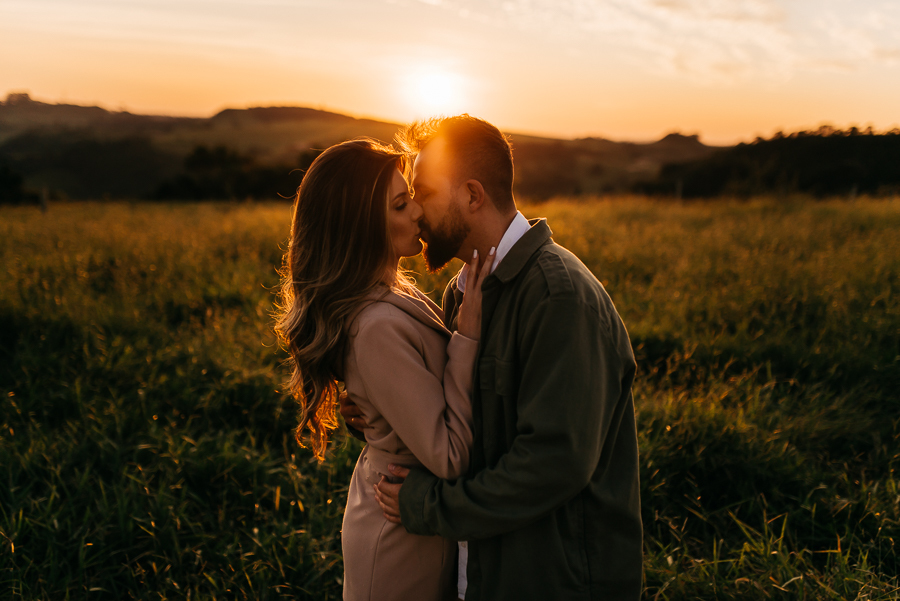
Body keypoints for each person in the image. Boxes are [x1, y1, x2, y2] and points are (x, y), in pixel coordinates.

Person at [344, 115, 643, 600]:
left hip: (553, 580)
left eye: (424, 192)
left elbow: (554, 463)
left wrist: (430, 506)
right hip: (479, 574)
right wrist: (379, 409)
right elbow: (453, 417)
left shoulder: (557, 297)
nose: (415, 210)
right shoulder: (461, 293)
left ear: (472, 195)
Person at [274, 138, 494, 601]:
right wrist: (468, 339)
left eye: (411, 195)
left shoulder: (397, 291)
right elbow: (450, 455)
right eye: (400, 204)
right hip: (397, 544)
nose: (418, 211)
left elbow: (408, 396)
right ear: (362, 225)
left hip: (417, 525)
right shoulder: (375, 325)